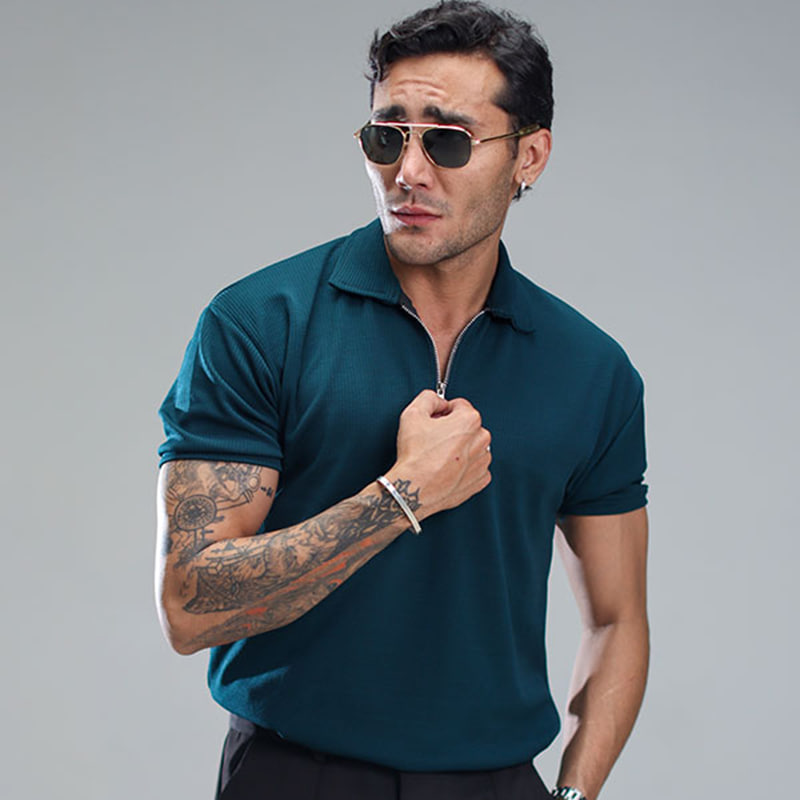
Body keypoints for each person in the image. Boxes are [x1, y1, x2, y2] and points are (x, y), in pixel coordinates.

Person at [155, 2, 649, 798]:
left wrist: (575, 794)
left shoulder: (592, 370)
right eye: (388, 137)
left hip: (494, 783)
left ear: (529, 156)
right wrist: (401, 497)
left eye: (447, 140)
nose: (409, 172)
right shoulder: (260, 323)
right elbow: (189, 605)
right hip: (297, 776)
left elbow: (617, 618)